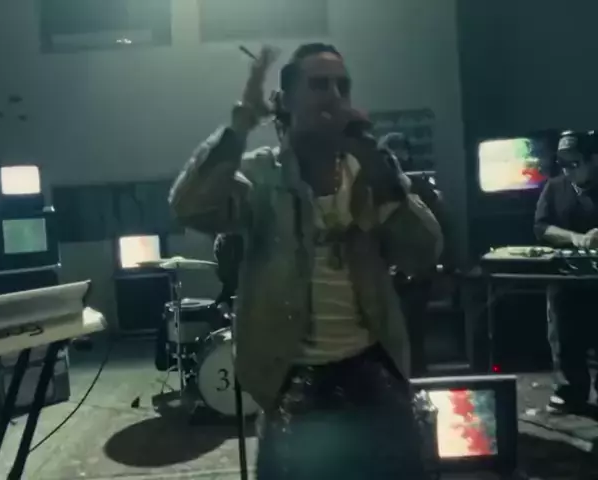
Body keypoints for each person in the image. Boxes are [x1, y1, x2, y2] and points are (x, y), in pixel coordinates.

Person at [169, 43, 442, 479]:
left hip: (372, 369)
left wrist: (381, 171)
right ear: (287, 101)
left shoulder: (369, 174)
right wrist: (241, 122)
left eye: (342, 86)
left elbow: (425, 252)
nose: (334, 95)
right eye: (319, 85)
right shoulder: (261, 177)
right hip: (291, 380)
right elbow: (189, 206)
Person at [534, 130, 598, 414]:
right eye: (562, 164)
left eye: (575, 164)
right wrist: (574, 238)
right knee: (564, 337)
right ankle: (572, 392)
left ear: (593, 160)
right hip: (565, 279)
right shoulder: (555, 187)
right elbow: (541, 227)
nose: (568, 171)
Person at [378, 132, 450, 376]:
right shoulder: (375, 191)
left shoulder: (418, 188)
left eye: (401, 150)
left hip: (413, 277)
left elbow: (438, 227)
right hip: (391, 276)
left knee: (412, 335)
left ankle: (416, 382)